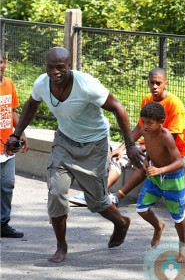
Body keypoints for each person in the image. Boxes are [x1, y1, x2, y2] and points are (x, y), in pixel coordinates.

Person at [5, 46, 144, 262]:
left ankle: (121, 222)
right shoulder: (42, 83)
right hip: (65, 142)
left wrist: (130, 145)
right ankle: (61, 246)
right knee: (57, 195)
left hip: (94, 145)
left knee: (97, 201)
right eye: (50, 67)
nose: (55, 72)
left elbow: (118, 107)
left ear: (69, 65)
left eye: (60, 67)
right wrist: (17, 133)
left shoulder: (86, 85)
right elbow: (31, 104)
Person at [70, 67, 185, 206]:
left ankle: (117, 197)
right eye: (152, 82)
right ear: (147, 82)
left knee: (143, 163)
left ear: (165, 84)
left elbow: (171, 140)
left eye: (158, 83)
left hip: (170, 151)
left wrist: (147, 148)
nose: (155, 87)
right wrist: (123, 147)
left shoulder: (175, 105)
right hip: (149, 144)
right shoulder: (147, 100)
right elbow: (139, 127)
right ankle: (96, 194)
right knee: (119, 157)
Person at [136, 101, 185, 263]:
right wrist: (146, 159)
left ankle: (183, 245)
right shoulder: (146, 132)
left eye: (149, 123)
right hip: (155, 176)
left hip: (173, 179)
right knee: (141, 208)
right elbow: (150, 149)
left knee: (178, 217)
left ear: (160, 123)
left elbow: (180, 162)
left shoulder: (166, 136)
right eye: (143, 122)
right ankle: (158, 226)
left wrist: (160, 170)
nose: (145, 126)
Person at [0, 51, 28, 238]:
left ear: (6, 63)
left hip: (7, 145)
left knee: (7, 184)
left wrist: (21, 133)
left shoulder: (9, 84)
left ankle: (2, 223)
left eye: (0, 62)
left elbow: (12, 111)